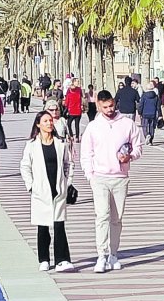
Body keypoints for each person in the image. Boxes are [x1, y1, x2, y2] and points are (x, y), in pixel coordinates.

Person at [81, 89, 144, 272]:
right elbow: (87, 153)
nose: (109, 109)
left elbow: (138, 147)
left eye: (111, 105)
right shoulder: (93, 127)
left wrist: (130, 156)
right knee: (102, 216)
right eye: (105, 107)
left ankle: (113, 254)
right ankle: (101, 255)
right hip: (99, 177)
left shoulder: (127, 123)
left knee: (116, 219)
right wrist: (90, 175)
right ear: (98, 106)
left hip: (120, 178)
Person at [20, 110, 74, 272]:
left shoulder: (60, 144)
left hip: (57, 189)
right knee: (42, 226)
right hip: (40, 190)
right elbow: (25, 166)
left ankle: (62, 260)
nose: (49, 123)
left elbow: (68, 164)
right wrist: (30, 185)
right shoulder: (31, 145)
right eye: (45, 121)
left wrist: (67, 181)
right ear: (38, 124)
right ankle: (43, 259)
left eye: (50, 121)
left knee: (59, 226)